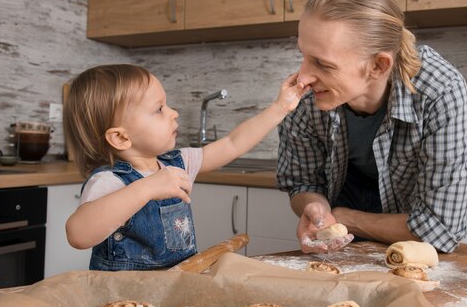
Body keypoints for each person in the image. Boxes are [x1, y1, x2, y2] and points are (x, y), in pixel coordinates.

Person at [277, 0, 467, 254]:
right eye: (304, 55)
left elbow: (441, 228)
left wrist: (346, 218)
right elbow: (302, 182)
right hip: (339, 242)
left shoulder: (439, 91)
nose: (304, 77)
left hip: (412, 246)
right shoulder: (307, 98)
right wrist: (316, 208)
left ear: (379, 66)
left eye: (323, 64)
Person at [64, 64, 308, 271]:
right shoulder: (110, 181)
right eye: (159, 109)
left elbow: (233, 144)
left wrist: (280, 108)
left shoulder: (177, 162)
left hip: (174, 292)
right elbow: (79, 235)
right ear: (120, 138)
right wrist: (147, 188)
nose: (174, 113)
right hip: (125, 305)